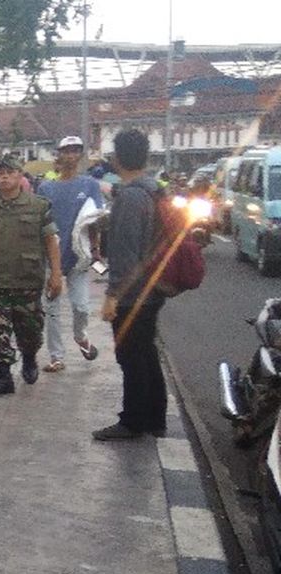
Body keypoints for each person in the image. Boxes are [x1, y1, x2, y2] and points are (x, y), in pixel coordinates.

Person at [0, 152, 63, 396]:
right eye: (1, 173)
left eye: (10, 172)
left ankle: (29, 358)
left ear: (20, 176)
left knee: (29, 331)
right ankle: (3, 376)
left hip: (27, 280)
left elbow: (51, 241)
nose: (5, 177)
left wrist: (56, 274)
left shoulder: (38, 206)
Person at [92, 129, 168, 440]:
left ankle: (133, 421)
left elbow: (124, 254)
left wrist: (112, 296)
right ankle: (154, 418)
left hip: (133, 294)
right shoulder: (155, 191)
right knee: (147, 353)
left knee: (131, 357)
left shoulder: (131, 196)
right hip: (154, 288)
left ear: (117, 158)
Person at [37, 135, 104, 373]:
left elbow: (95, 219)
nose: (71, 155)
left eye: (76, 151)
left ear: (80, 155)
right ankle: (56, 356)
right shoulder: (46, 187)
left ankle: (81, 336)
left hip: (79, 257)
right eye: (67, 151)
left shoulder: (90, 185)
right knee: (52, 309)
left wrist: (96, 249)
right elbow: (39, 222)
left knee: (81, 306)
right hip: (50, 257)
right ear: (59, 154)